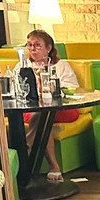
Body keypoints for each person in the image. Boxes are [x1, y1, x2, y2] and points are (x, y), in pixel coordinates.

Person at [23, 30, 79, 183]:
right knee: (42, 116)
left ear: (48, 48)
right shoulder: (23, 66)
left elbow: (71, 89)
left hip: (62, 109)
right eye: (29, 45)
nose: (32, 49)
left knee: (43, 115)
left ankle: (27, 146)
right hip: (33, 109)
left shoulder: (61, 66)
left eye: (37, 45)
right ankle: (54, 167)